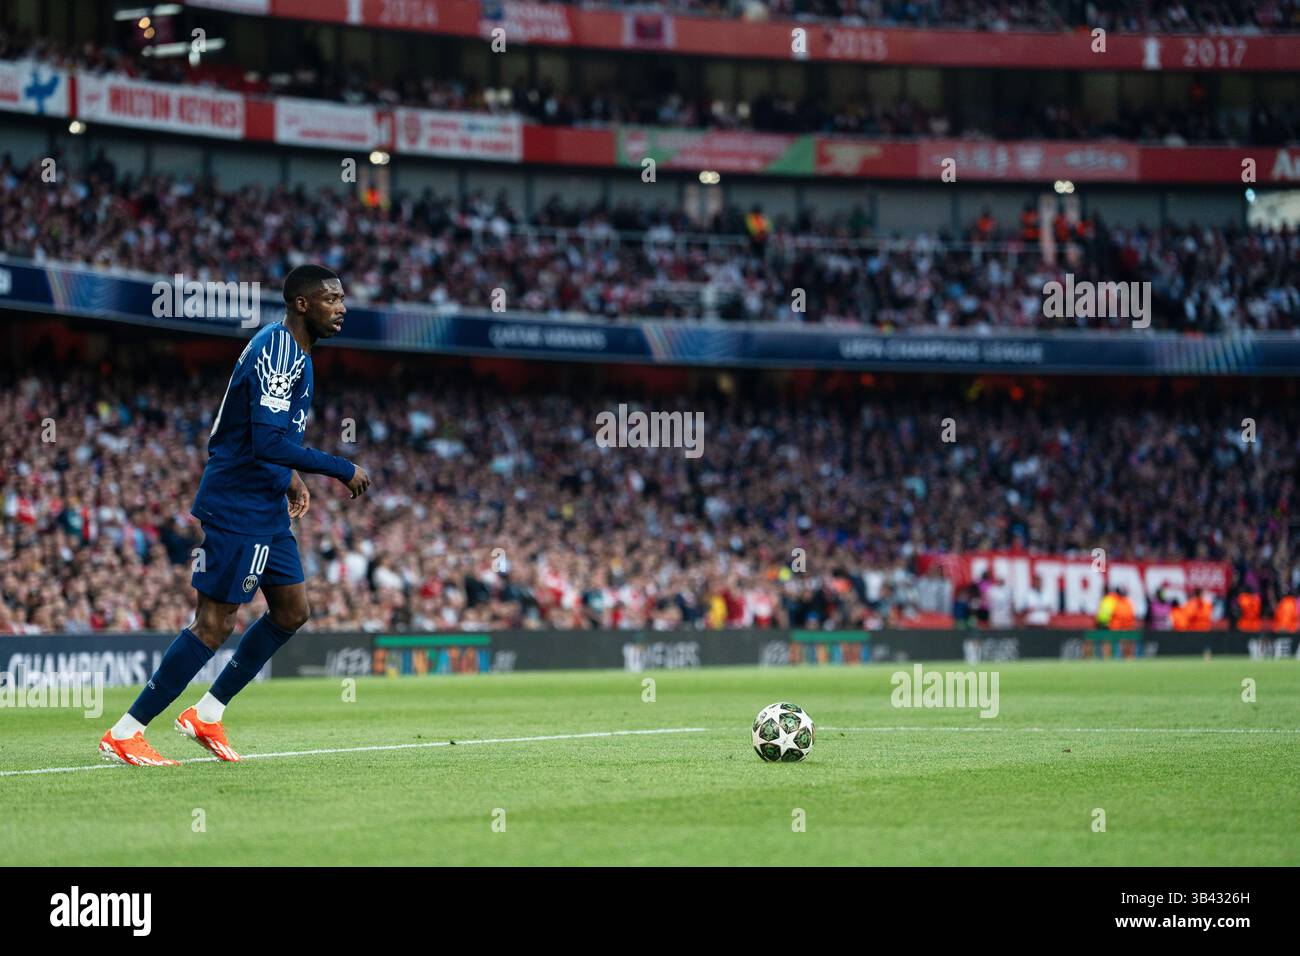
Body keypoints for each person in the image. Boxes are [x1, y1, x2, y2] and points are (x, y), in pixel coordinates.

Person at [99, 265, 372, 766]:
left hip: (266, 501)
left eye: (342, 297)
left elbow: (264, 432)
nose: (342, 307)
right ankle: (126, 730)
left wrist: (289, 476)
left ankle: (206, 713)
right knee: (214, 624)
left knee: (292, 611)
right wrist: (340, 467)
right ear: (302, 304)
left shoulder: (298, 353)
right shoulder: (278, 350)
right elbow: (267, 441)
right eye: (332, 298)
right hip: (236, 502)